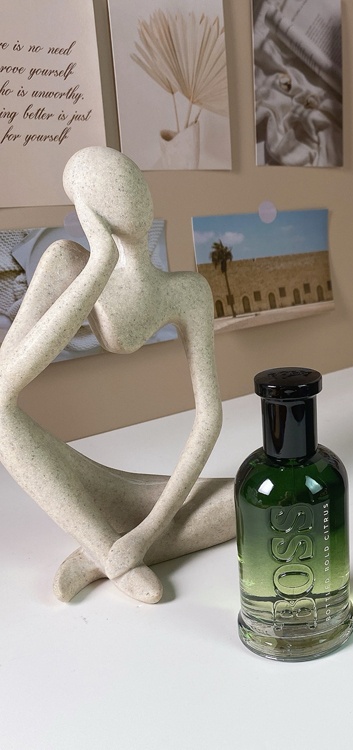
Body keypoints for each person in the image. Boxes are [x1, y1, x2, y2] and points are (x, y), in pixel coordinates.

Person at [0, 146, 234, 603]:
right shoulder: (67, 262)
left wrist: (147, 532)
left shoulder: (187, 291)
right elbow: (5, 386)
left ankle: (100, 551)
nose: (133, 195)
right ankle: (111, 551)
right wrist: (100, 260)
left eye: (132, 181)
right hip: (67, 469)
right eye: (110, 187)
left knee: (253, 500)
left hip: (131, 499)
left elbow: (209, 419)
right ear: (87, 208)